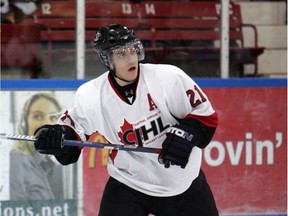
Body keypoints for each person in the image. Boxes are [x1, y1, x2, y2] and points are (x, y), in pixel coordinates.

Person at [33, 23, 219, 215]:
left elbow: (206, 115)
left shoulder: (168, 78)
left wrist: (188, 134)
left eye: (133, 50)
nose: (131, 58)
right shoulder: (92, 95)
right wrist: (55, 136)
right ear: (108, 61)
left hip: (183, 183)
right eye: (121, 54)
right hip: (129, 184)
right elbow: (71, 130)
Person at [10, 93, 63, 200]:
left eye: (53, 117)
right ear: (25, 122)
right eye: (38, 116)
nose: (46, 123)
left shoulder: (53, 166)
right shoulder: (18, 160)